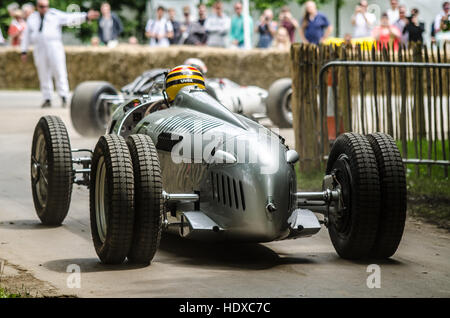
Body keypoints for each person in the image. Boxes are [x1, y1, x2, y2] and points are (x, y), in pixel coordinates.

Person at [21, 0, 99, 108]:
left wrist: (85, 16)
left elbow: (70, 18)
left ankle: (63, 96)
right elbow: (26, 35)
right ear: (37, 7)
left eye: (46, 6)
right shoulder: (32, 18)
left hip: (54, 45)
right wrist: (23, 50)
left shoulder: (54, 14)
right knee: (43, 72)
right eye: (42, 6)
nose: (44, 8)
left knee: (59, 70)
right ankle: (47, 98)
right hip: (39, 47)